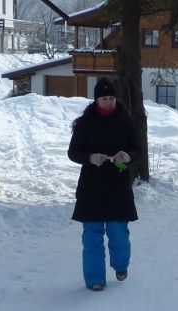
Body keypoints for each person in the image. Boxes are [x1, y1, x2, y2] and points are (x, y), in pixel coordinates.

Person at [68, 77, 140, 291]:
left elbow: (137, 149)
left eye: (111, 98)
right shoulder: (85, 122)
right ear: (96, 99)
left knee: (118, 232)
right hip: (92, 186)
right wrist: (90, 157)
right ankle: (95, 279)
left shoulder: (125, 120)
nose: (109, 102)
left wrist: (127, 156)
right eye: (104, 98)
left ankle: (120, 265)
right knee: (92, 235)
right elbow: (73, 152)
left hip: (118, 185)